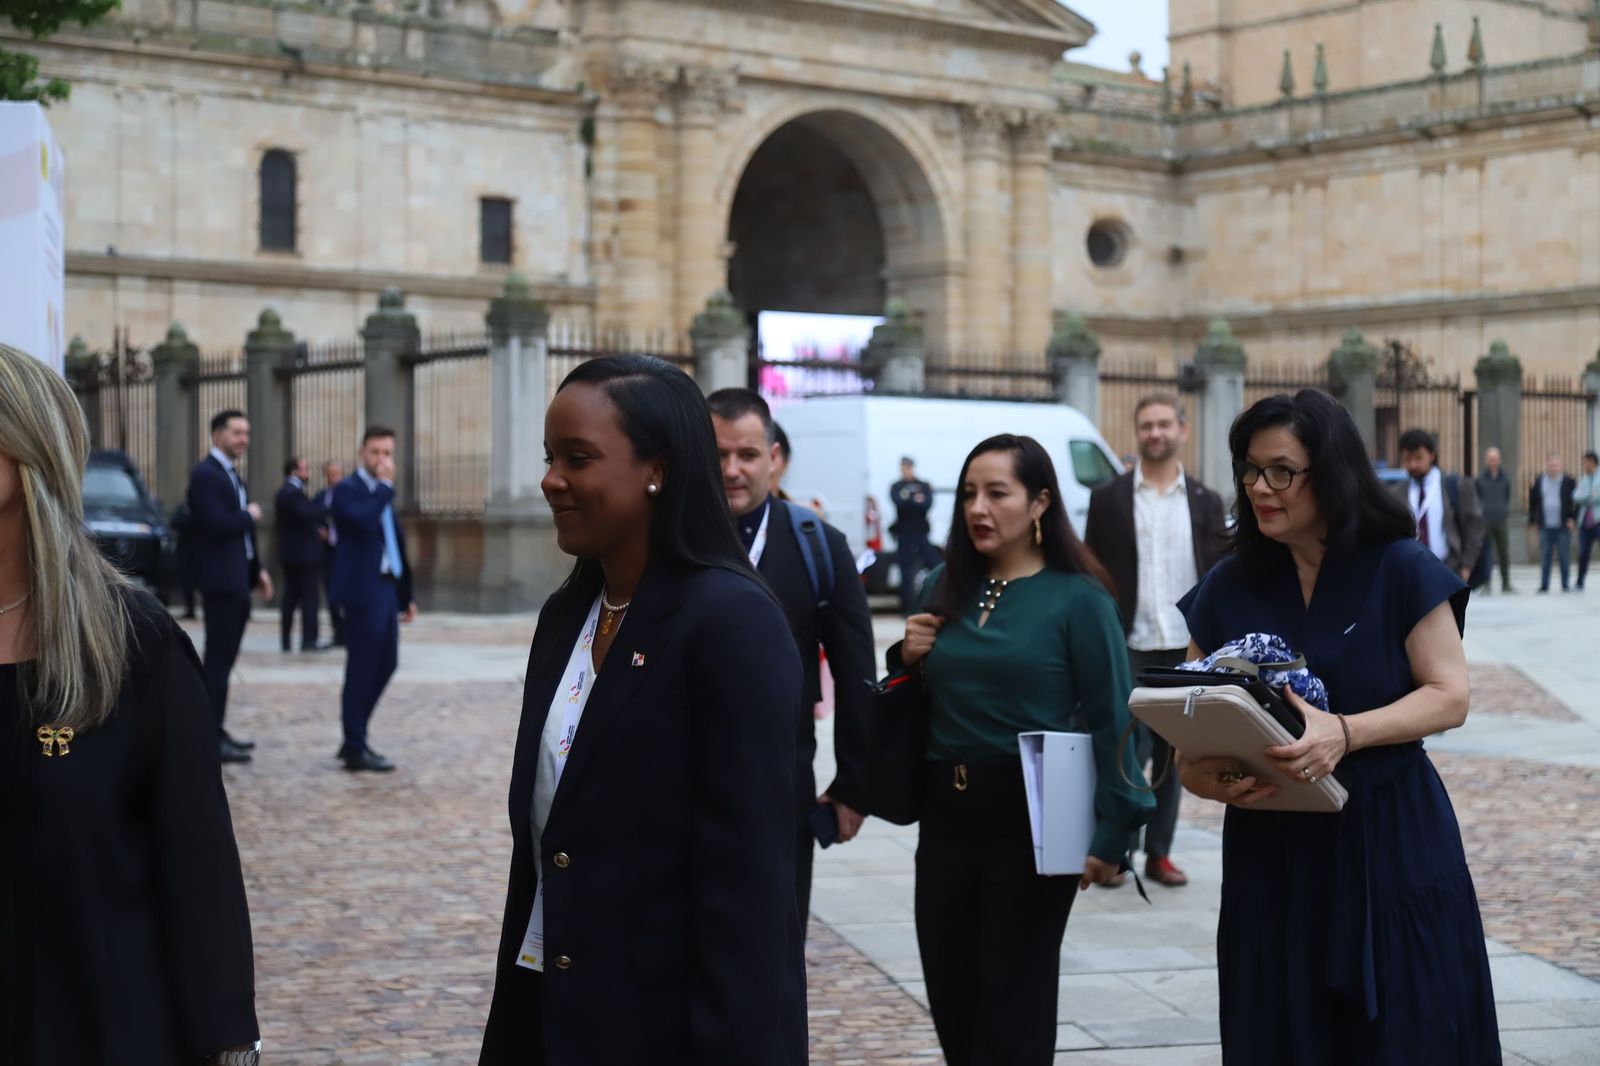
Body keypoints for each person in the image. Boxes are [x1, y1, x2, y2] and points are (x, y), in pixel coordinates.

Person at [479, 356, 806, 1066]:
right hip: (557, 1013)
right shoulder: (568, 614)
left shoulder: (731, 623)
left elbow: (748, 889)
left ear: (657, 469)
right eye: (549, 457)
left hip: (671, 1030)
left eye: (579, 458)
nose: (551, 480)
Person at [1176, 389, 1499, 1064]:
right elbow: (1190, 727)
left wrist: (1345, 732)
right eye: (1250, 470)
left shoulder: (1399, 567)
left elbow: (1449, 696)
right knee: (1281, 1030)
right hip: (1273, 854)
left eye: (1281, 471)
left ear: (1333, 473)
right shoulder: (1228, 585)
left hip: (1389, 842)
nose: (1259, 488)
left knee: (1405, 1032)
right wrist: (1210, 778)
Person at [0, 343, 259, 1065]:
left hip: (97, 1029)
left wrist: (229, 1043)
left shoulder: (134, 643)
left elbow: (198, 867)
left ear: (27, 448)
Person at [900, 434, 1153, 1066]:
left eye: (997, 493)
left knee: (1012, 1011)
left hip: (1034, 822)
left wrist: (1113, 833)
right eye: (968, 494)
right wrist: (903, 659)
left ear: (1039, 503)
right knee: (953, 1001)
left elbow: (1116, 719)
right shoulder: (942, 584)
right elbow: (913, 698)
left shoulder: (1080, 598)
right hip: (946, 818)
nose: (978, 508)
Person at [707, 388, 875, 925]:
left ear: (774, 457)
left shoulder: (819, 546)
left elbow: (857, 672)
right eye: (718, 455)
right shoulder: (663, 542)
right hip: (675, 787)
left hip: (780, 787)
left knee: (774, 940)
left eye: (747, 455)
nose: (732, 470)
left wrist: (852, 786)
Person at [1084, 393, 1226, 889]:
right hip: (1128, 641)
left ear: (1182, 430)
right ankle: (1115, 850)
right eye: (1147, 425)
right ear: (1137, 432)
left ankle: (1160, 854)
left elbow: (1218, 575)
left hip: (1186, 646)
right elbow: (1092, 572)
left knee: (1172, 754)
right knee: (1124, 750)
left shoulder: (1207, 500)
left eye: (1165, 424)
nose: (1156, 433)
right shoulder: (1108, 499)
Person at [186, 409, 274, 763]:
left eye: (246, 433)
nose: (243, 440)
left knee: (225, 662)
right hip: (220, 581)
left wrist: (257, 570)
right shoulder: (205, 474)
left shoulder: (231, 475)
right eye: (237, 433)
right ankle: (208, 737)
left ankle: (216, 730)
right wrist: (248, 516)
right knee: (218, 664)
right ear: (217, 435)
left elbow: (242, 539)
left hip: (237, 578)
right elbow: (215, 525)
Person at [330, 427, 418, 772]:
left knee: (387, 663)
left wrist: (405, 596)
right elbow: (363, 521)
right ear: (361, 453)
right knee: (362, 667)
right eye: (375, 452)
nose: (382, 460)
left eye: (387, 453)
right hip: (360, 591)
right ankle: (355, 745)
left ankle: (355, 734)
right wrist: (384, 487)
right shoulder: (347, 490)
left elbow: (394, 542)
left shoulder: (383, 493)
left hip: (385, 588)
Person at [1393, 427, 1485, 584]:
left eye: (1419, 458)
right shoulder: (1396, 493)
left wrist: (1467, 566)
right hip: (1410, 574)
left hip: (1449, 570)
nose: (1413, 465)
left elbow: (1475, 525)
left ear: (1432, 455)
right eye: (1407, 459)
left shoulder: (1456, 486)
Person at [275, 456, 330, 653]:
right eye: (304, 468)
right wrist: (327, 505)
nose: (308, 471)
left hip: (291, 554)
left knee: (290, 598)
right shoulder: (293, 492)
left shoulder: (286, 491)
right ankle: (309, 640)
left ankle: (286, 640)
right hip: (304, 556)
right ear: (294, 471)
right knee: (309, 599)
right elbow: (306, 514)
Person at [890, 456, 940, 615]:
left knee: (936, 565)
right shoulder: (897, 486)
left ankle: (938, 602)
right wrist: (915, 500)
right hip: (904, 534)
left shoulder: (923, 485)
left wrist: (910, 501)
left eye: (907, 467)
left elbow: (926, 504)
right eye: (902, 468)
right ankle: (907, 609)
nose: (905, 470)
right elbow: (899, 502)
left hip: (921, 534)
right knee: (906, 573)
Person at [1528, 452, 1576, 593]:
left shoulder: (1568, 481)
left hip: (1563, 526)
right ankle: (1544, 585)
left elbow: (1575, 502)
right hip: (1545, 526)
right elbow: (1533, 502)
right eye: (1550, 465)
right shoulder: (1539, 481)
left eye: (1555, 465)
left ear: (1560, 466)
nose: (1553, 467)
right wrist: (1533, 520)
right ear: (1547, 465)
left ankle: (1565, 584)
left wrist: (1572, 518)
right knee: (1545, 556)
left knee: (1564, 556)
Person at [1474, 446, 1514, 593]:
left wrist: (1503, 510)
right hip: (1485, 521)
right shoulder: (1480, 479)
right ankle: (1486, 583)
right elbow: (1477, 498)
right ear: (1486, 461)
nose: (1493, 462)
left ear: (1499, 460)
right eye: (1491, 459)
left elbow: (1507, 496)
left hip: (1501, 520)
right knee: (1486, 554)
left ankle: (1506, 583)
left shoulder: (1505, 478)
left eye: (1495, 459)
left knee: (1504, 552)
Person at [321, 460, 347, 646]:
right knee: (331, 593)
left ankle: (350, 631)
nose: (334, 478)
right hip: (328, 551)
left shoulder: (350, 495)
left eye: (337, 474)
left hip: (346, 550)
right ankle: (338, 633)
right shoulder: (322, 496)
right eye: (331, 474)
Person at [1575, 452, 1600, 590]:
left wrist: (1587, 497)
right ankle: (1579, 582)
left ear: (1592, 462)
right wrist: (1590, 496)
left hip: (1598, 521)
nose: (1584, 465)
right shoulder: (1584, 479)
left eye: (1585, 462)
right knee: (1583, 553)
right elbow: (1576, 496)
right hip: (1585, 523)